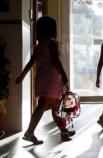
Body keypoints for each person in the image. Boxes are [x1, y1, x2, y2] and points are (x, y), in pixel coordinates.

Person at [15, 16, 75, 144]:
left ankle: (63, 131)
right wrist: (64, 75)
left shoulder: (40, 45)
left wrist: (21, 76)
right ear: (52, 29)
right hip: (51, 81)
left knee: (54, 107)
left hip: (43, 80)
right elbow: (56, 61)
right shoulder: (52, 43)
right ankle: (29, 132)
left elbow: (31, 62)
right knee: (43, 107)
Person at [0, 37, 10, 138]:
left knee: (2, 111)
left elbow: (7, 75)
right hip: (2, 91)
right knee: (2, 111)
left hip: (2, 91)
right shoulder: (5, 62)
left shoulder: (5, 62)